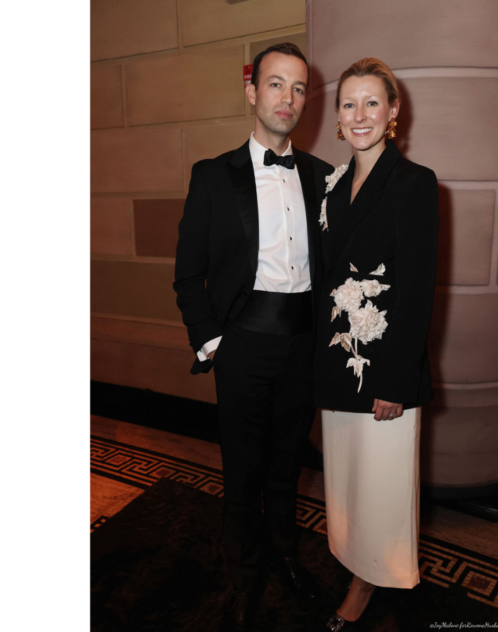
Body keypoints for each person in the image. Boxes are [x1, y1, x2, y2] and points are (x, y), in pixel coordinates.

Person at [173, 42, 334, 632]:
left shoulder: (320, 176)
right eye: (275, 85)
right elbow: (188, 274)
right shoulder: (213, 176)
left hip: (302, 347)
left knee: (287, 467)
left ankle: (286, 559)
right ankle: (243, 582)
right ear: (252, 92)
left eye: (298, 88)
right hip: (241, 346)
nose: (287, 98)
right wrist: (214, 342)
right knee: (242, 472)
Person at [313, 57, 439, 631]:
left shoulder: (414, 183)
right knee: (348, 482)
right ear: (337, 117)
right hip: (340, 364)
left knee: (383, 487)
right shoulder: (333, 186)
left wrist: (395, 382)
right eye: (348, 103)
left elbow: (415, 291)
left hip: (382, 369)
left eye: (371, 103)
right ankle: (356, 563)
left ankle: (370, 583)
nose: (358, 114)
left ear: (393, 113)